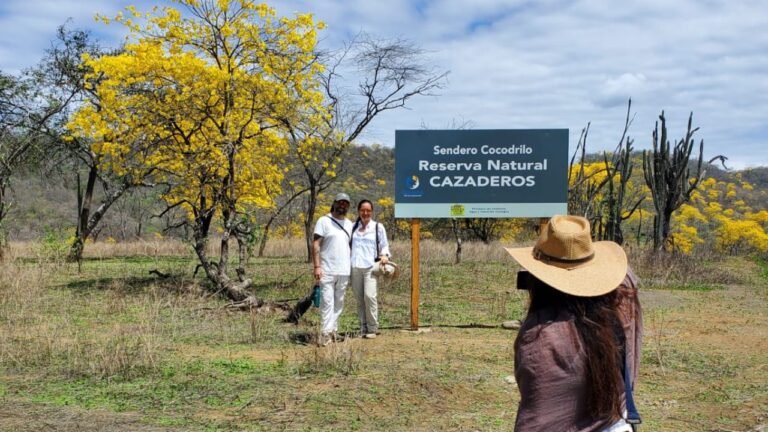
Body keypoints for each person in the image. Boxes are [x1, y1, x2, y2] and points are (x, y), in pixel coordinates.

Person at [505, 215, 643, 432]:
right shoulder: (624, 300)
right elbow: (625, 275)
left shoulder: (541, 337)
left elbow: (538, 420)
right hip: (619, 423)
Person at [312, 193, 354, 346]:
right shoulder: (324, 221)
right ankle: (324, 333)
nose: (343, 205)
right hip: (327, 269)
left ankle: (332, 330)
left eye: (346, 203)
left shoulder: (350, 224)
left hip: (344, 270)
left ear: (348, 206)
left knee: (339, 302)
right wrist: (317, 266)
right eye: (340, 202)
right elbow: (316, 244)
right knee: (327, 302)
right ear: (334, 203)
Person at [349, 199, 391, 339]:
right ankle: (363, 327)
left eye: (368, 210)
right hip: (355, 267)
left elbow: (384, 245)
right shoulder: (353, 227)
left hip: (370, 267)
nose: (365, 213)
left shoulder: (378, 227)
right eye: (362, 210)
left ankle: (372, 328)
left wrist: (384, 255)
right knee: (359, 299)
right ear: (358, 211)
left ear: (372, 212)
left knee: (369, 296)